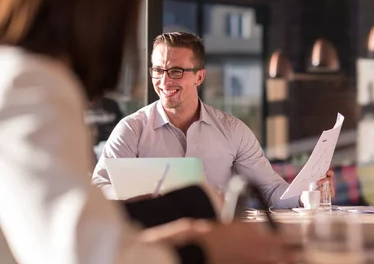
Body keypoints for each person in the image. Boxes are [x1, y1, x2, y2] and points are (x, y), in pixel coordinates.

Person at [0, 0, 282, 264]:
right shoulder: (32, 86)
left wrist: (167, 238)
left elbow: (64, 237)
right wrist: (204, 255)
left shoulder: (17, 77)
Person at [91, 31, 335, 208]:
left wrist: (307, 195)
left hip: (217, 245)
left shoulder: (232, 130)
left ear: (199, 77)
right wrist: (139, 193)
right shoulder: (132, 129)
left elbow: (270, 189)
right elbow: (98, 186)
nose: (164, 82)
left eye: (176, 71)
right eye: (158, 70)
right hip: (152, 244)